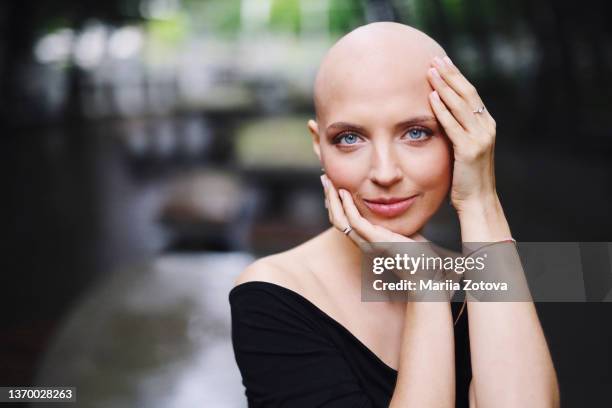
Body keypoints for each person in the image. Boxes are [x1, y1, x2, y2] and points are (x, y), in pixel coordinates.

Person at [229, 21, 559, 407]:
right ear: (319, 146)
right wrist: (426, 288)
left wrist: (480, 200)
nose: (385, 173)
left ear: (461, 135)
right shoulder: (273, 292)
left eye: (416, 132)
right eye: (349, 138)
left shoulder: (484, 277)